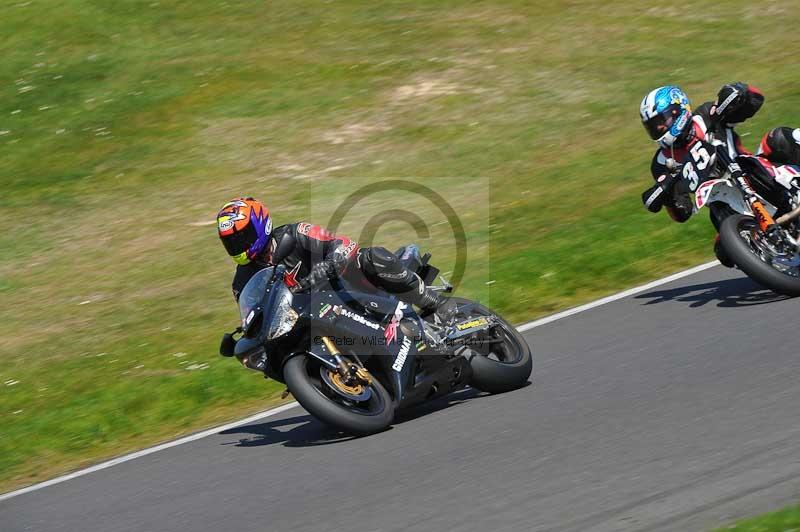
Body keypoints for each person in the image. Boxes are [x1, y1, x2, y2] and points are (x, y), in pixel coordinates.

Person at [216, 196, 451, 316]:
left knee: (371, 257)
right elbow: (254, 316)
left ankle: (436, 304)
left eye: (241, 237)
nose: (237, 245)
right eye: (230, 242)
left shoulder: (296, 233)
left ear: (261, 225)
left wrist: (328, 266)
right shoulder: (241, 283)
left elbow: (345, 245)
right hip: (310, 317)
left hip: (348, 288)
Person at [638, 82, 771, 266]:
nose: (659, 129)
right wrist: (668, 197)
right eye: (652, 126)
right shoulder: (661, 163)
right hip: (724, 202)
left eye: (662, 121)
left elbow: (756, 99)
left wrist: (740, 94)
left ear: (678, 111)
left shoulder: (705, 115)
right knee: (724, 250)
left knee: (776, 139)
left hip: (754, 172)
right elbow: (682, 213)